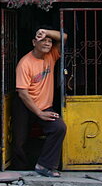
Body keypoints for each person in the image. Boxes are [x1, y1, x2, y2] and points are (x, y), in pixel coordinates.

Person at [13, 27, 67, 177]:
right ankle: (19, 170)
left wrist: (46, 32)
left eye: (50, 41)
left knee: (58, 128)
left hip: (45, 105)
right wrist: (38, 113)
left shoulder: (51, 56)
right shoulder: (25, 63)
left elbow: (65, 37)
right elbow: (22, 93)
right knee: (20, 140)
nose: (47, 43)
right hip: (25, 105)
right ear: (33, 42)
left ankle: (45, 165)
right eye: (43, 40)